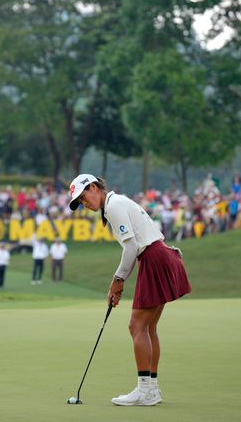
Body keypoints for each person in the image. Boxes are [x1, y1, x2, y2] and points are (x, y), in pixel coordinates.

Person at [68, 174, 191, 407]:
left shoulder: (113, 205)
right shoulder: (116, 204)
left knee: (137, 326)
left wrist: (117, 280)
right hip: (159, 256)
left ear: (94, 188)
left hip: (154, 258)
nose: (84, 204)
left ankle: (144, 390)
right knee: (148, 327)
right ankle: (151, 389)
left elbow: (132, 247)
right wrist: (119, 281)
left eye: (83, 198)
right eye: (80, 203)